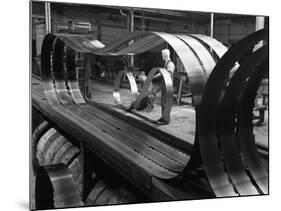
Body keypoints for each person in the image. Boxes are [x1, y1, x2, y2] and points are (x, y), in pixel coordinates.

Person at [140, 49, 175, 124]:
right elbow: (162, 73)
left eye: (162, 55)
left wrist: (152, 77)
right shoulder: (166, 63)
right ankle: (163, 118)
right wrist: (152, 77)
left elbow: (168, 74)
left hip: (168, 86)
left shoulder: (170, 64)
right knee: (163, 102)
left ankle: (166, 120)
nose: (161, 57)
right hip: (164, 84)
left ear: (165, 55)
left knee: (166, 102)